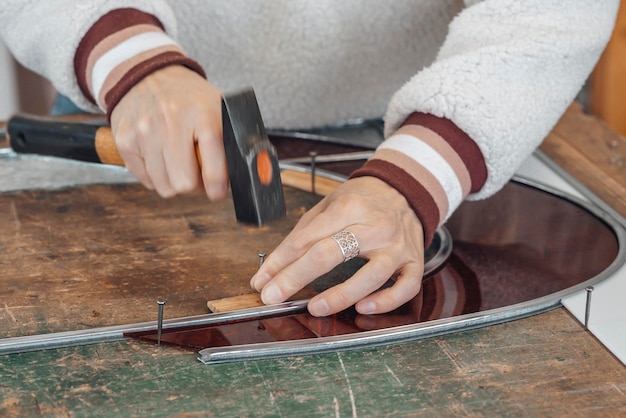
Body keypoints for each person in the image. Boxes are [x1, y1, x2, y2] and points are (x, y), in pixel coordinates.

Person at [0, 1, 618, 317]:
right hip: (126, 87)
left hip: (421, 124)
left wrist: (412, 180)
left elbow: (546, 10)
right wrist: (128, 58)